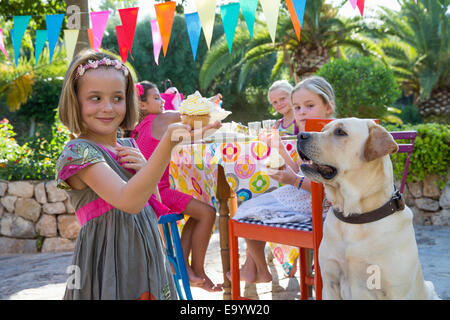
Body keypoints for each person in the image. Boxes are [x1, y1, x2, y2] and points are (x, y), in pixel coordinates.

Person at [55, 50, 220, 299]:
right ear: (75, 101)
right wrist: (167, 144)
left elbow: (149, 204)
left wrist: (145, 168)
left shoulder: (129, 147)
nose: (108, 108)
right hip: (110, 265)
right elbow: (128, 201)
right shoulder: (78, 153)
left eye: (117, 98)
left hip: (148, 256)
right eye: (95, 98)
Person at [230, 76, 335, 283]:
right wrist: (279, 148)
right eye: (297, 107)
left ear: (328, 107)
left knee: (245, 211)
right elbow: (300, 170)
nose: (302, 112)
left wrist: (292, 181)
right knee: (247, 206)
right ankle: (257, 269)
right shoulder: (307, 134)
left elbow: (327, 189)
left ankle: (259, 270)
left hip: (321, 207)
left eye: (309, 105)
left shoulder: (331, 137)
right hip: (305, 198)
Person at [130, 81, 223, 292]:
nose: (162, 100)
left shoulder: (138, 128)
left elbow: (187, 136)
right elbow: (189, 113)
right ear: (142, 105)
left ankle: (185, 268)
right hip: (158, 194)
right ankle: (196, 272)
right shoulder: (161, 119)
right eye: (156, 98)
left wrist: (209, 128)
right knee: (208, 213)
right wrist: (210, 105)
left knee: (199, 214)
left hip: (146, 194)